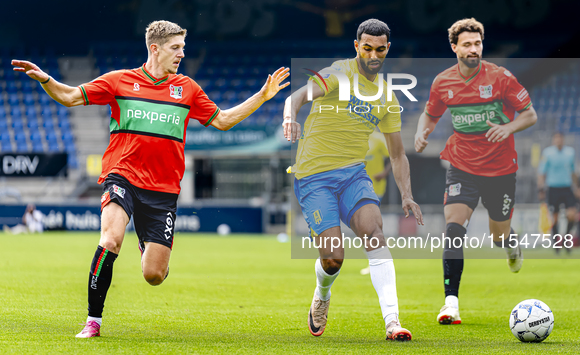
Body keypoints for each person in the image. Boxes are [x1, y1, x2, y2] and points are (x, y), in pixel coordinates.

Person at [12, 20, 290, 338]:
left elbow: (223, 121)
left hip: (162, 190)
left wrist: (262, 96)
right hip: (122, 176)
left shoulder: (188, 89)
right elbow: (71, 96)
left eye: (183, 48)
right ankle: (93, 321)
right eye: (176, 48)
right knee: (111, 239)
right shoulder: (119, 81)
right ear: (155, 48)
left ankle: (150, 247)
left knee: (154, 275)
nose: (182, 54)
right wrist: (46, 79)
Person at [283, 19, 424, 341]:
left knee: (375, 232)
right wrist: (290, 119)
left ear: (387, 49)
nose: (373, 54)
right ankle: (322, 293)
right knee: (333, 259)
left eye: (380, 49)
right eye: (367, 48)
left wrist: (406, 194)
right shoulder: (338, 74)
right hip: (314, 177)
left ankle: (393, 322)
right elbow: (297, 97)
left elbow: (398, 154)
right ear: (357, 46)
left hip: (353, 175)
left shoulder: (387, 96)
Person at [414, 18, 537, 325]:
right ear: (454, 47)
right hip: (462, 166)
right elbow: (430, 115)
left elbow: (530, 114)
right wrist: (421, 133)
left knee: (498, 236)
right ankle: (450, 304)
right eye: (467, 44)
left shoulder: (501, 78)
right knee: (454, 231)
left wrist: (508, 127)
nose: (473, 49)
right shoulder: (443, 82)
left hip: (500, 169)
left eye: (477, 44)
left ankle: (510, 244)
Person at [537, 132, 578, 252]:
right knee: (555, 218)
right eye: (556, 139)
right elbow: (541, 172)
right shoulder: (547, 153)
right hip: (553, 188)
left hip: (567, 187)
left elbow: (573, 171)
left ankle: (565, 239)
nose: (558, 141)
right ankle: (556, 244)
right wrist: (540, 188)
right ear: (553, 140)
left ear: (563, 140)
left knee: (572, 215)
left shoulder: (570, 152)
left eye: (560, 138)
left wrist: (576, 186)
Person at [360, 129, 391, 275]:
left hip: (375, 187)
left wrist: (384, 173)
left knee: (368, 225)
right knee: (364, 227)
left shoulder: (378, 138)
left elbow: (393, 156)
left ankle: (377, 262)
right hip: (358, 187)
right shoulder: (355, 135)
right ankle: (376, 261)